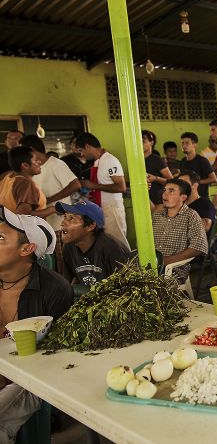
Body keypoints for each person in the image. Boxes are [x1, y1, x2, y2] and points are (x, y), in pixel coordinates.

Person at [0, 207, 73, 444]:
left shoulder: (55, 290)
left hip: (30, 378)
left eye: (0, 238)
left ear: (27, 249)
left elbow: (58, 357)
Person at [74, 132, 130, 250]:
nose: (82, 154)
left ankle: (127, 267)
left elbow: (121, 187)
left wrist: (93, 185)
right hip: (101, 208)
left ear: (88, 146)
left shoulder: (110, 160)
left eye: (81, 150)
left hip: (112, 208)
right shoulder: (98, 161)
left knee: (118, 243)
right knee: (108, 244)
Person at [57, 200, 129, 287]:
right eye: (65, 217)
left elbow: (126, 288)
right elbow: (68, 283)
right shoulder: (69, 248)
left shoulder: (112, 250)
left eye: (71, 218)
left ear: (90, 226)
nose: (62, 223)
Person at [19, 135, 80, 232]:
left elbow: (75, 185)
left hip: (59, 224)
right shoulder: (32, 168)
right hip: (43, 223)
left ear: (31, 150)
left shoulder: (56, 164)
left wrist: (49, 199)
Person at [152, 179, 208, 283]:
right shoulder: (157, 216)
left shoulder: (191, 216)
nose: (165, 194)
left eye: (171, 191)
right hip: (151, 266)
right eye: (164, 190)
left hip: (173, 270)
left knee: (147, 287)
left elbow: (198, 247)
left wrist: (166, 261)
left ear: (183, 197)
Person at [0, 146, 51, 218]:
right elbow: (24, 216)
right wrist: (52, 210)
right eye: (36, 160)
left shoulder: (6, 177)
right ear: (25, 165)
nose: (40, 162)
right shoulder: (25, 184)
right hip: (22, 229)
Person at [179, 132, 217, 200]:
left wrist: (195, 182)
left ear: (195, 145)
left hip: (201, 199)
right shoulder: (183, 161)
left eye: (187, 143)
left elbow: (214, 179)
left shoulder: (202, 161)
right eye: (182, 143)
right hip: (187, 200)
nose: (184, 145)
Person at [142, 130, 173, 210]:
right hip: (143, 201)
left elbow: (171, 181)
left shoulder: (156, 160)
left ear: (151, 143)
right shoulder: (137, 161)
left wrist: (156, 178)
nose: (140, 144)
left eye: (143, 141)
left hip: (158, 202)